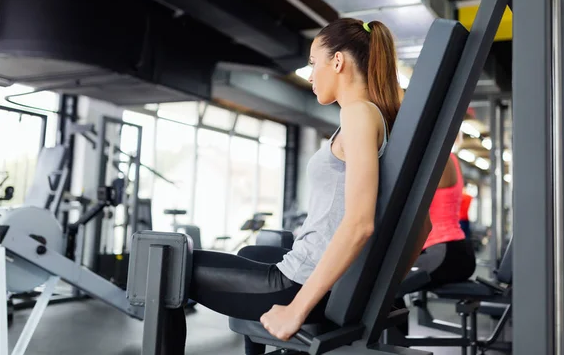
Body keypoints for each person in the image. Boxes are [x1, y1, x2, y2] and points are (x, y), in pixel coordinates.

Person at [161, 18, 433, 355]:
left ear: (337, 62)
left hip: (300, 281)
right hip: (328, 274)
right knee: (251, 253)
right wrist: (379, 290)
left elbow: (360, 224)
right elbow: (423, 225)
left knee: (166, 261)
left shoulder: (358, 114)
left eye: (313, 63)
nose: (309, 74)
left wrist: (296, 309)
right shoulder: (382, 118)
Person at [412, 151, 476, 287]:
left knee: (384, 283)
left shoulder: (438, 157)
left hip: (442, 253)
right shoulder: (451, 158)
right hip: (458, 250)